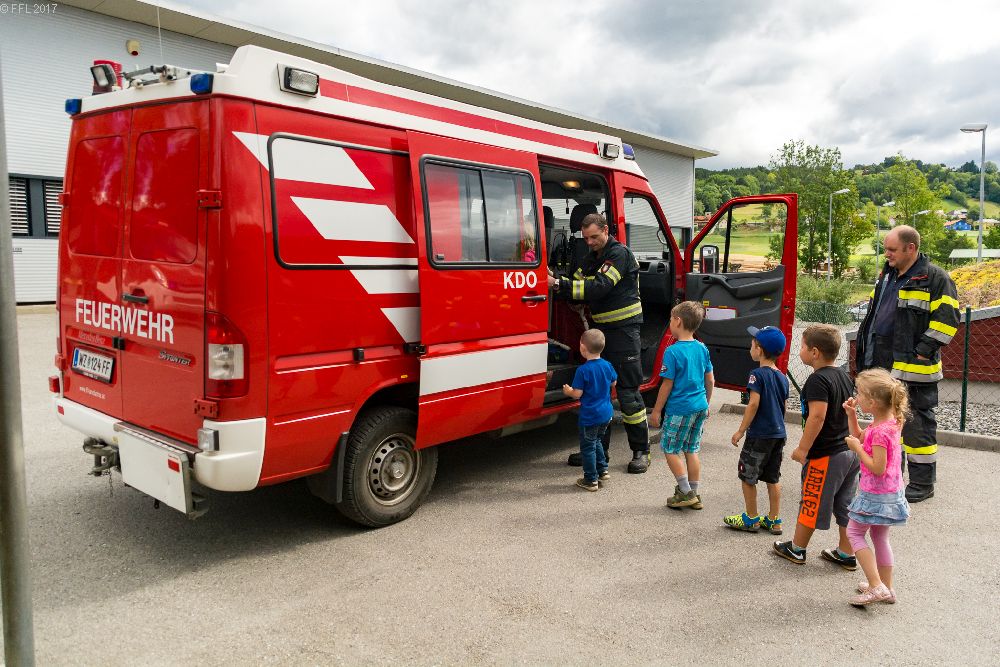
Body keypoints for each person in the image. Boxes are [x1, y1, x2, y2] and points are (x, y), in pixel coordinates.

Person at [855, 225, 959, 503]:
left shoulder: (935, 278)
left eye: (892, 249)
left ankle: (922, 484)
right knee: (888, 425)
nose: (886, 254)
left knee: (917, 426)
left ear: (910, 248)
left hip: (915, 372)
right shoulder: (887, 276)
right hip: (885, 367)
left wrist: (921, 352)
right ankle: (892, 478)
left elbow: (947, 322)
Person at [549, 212, 651, 474]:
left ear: (606, 230)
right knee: (598, 393)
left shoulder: (619, 254)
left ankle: (641, 451)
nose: (590, 242)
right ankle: (596, 451)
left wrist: (558, 284)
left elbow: (599, 287)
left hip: (624, 332)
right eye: (586, 238)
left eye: (594, 237)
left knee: (628, 394)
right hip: (602, 332)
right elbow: (577, 282)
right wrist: (556, 283)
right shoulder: (592, 257)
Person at [773, 324, 861, 568]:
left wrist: (802, 449)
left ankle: (797, 549)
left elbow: (817, 417)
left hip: (826, 454)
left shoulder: (817, 380)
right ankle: (846, 553)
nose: (799, 350)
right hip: (848, 451)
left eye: (802, 346)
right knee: (846, 504)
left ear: (815, 352)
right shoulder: (844, 376)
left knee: (811, 499)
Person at [842, 369, 911, 606]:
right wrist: (852, 415)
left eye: (860, 394)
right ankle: (887, 588)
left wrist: (857, 450)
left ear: (872, 402)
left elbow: (877, 467)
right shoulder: (890, 421)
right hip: (890, 492)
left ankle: (875, 585)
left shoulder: (881, 431)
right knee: (880, 537)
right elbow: (861, 436)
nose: (857, 397)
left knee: (854, 533)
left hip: (876, 494)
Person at [648, 302, 714, 509]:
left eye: (670, 319)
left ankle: (685, 492)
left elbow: (667, 384)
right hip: (700, 406)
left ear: (678, 321)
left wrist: (656, 411)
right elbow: (710, 380)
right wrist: (707, 403)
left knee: (670, 448)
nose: (670, 323)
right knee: (691, 449)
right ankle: (694, 494)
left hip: (680, 409)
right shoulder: (702, 348)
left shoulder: (672, 351)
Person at [725, 326, 789, 533]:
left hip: (759, 435)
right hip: (778, 434)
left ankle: (751, 518)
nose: (750, 347)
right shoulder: (782, 377)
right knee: (773, 477)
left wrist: (741, 430)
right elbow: (784, 406)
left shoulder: (756, 375)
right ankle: (774, 519)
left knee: (747, 476)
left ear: (759, 350)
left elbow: (753, 404)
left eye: (752, 344)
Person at [562, 329, 617, 492]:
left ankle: (591, 479)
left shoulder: (583, 370)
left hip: (590, 416)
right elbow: (613, 383)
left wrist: (568, 391)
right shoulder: (607, 365)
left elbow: (577, 394)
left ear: (582, 348)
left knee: (588, 447)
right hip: (606, 414)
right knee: (597, 440)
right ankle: (603, 470)